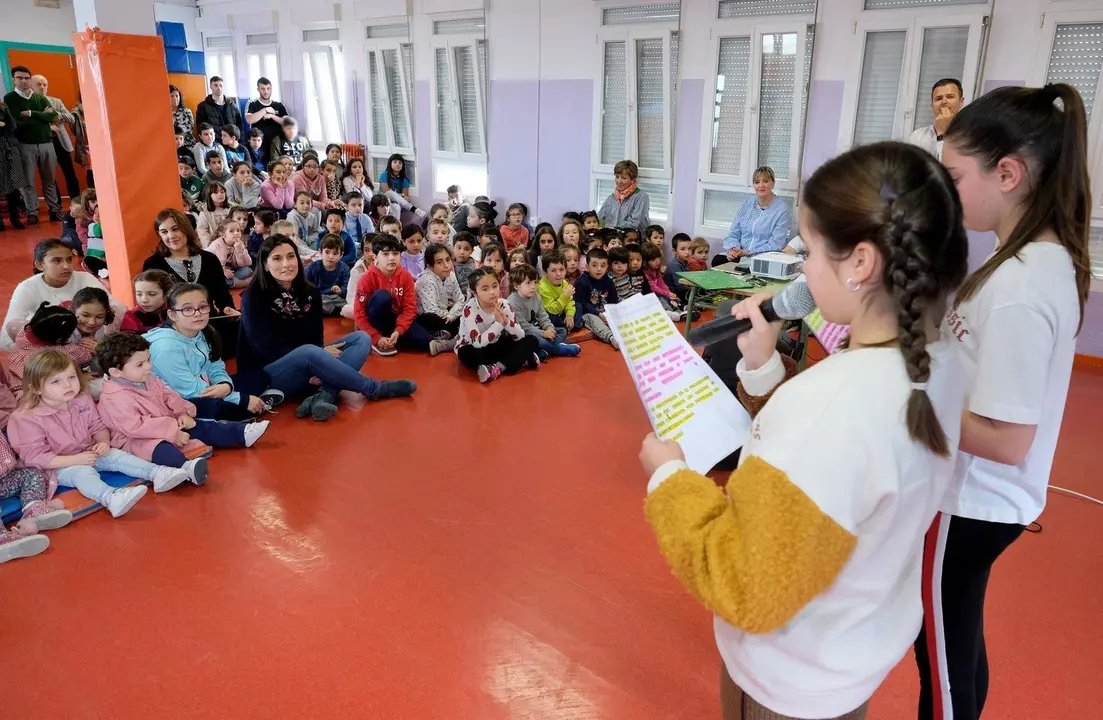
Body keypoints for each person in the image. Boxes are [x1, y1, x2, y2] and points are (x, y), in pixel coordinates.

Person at [639, 140, 970, 720]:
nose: (802, 270)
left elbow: (746, 585)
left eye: (810, 252)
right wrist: (765, 366)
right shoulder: (939, 364)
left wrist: (669, 476)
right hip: (847, 663)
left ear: (861, 262)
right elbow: (827, 471)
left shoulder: (828, 405)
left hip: (783, 682)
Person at [915, 84, 1091, 720]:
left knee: (940, 652)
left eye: (954, 174)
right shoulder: (1021, 256)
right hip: (980, 499)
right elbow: (973, 355)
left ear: (1008, 174)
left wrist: (906, 403)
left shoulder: (1022, 285)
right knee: (955, 635)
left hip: (973, 501)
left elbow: (1007, 437)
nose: (945, 188)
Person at [238, 235, 415, 421]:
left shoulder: (309, 292)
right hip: (269, 372)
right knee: (308, 352)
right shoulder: (253, 296)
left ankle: (324, 394)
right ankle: (375, 388)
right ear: (265, 265)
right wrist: (318, 355)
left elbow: (316, 337)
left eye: (291, 257)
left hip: (309, 361)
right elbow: (264, 349)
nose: (286, 264)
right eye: (277, 258)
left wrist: (319, 355)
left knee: (361, 338)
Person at [9, 350, 198, 517]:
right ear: (36, 388)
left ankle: (158, 473)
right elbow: (36, 457)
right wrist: (77, 460)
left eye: (72, 377)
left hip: (87, 452)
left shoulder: (81, 400)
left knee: (116, 455)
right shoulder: (25, 418)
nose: (67, 385)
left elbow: (97, 426)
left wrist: (103, 442)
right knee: (83, 472)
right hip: (55, 466)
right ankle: (110, 497)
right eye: (56, 381)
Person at [95, 333, 267, 470]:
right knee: (159, 449)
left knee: (199, 426)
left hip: (168, 423)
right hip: (135, 439)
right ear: (116, 372)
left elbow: (169, 395)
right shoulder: (113, 397)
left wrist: (182, 413)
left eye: (148, 360)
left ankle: (241, 433)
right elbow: (135, 427)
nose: (149, 366)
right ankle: (185, 467)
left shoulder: (147, 378)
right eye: (140, 364)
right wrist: (172, 431)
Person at [146, 283, 281, 422]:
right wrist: (242, 399)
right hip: (178, 399)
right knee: (225, 408)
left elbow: (215, 366)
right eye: (187, 309)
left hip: (207, 387)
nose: (197, 313)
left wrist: (225, 386)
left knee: (260, 376)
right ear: (172, 314)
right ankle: (251, 406)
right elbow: (190, 390)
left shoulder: (202, 331)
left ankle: (250, 405)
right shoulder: (166, 348)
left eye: (203, 307)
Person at [143, 209, 240, 360]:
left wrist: (228, 308)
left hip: (208, 323)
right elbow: (151, 303)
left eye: (175, 229)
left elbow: (222, 294)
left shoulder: (209, 259)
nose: (171, 236)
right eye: (164, 232)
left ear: (186, 229)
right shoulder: (153, 264)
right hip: (174, 330)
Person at [2, 239, 126, 350]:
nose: (66, 266)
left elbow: (114, 309)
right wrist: (47, 352)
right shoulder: (27, 288)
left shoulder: (85, 278)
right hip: (50, 349)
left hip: (90, 344)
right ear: (40, 265)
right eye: (57, 261)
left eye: (69, 259)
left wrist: (104, 347)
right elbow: (6, 337)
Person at [454, 266, 541, 384]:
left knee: (531, 340)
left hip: (496, 345)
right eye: (485, 289)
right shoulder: (470, 309)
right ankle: (518, 360)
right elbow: (477, 343)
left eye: (495, 286)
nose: (492, 292)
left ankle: (498, 367)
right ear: (475, 292)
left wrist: (505, 321)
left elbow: (520, 335)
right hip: (476, 348)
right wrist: (499, 324)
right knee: (469, 354)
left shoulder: (504, 304)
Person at [353, 234, 432, 356]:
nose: (391, 258)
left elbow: (409, 309)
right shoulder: (366, 278)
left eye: (395, 254)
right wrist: (376, 337)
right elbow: (359, 313)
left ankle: (392, 338)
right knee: (382, 296)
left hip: (396, 320)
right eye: (385, 254)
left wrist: (399, 331)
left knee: (425, 342)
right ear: (375, 257)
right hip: (376, 321)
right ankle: (377, 339)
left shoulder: (406, 277)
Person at [4, 65, 61, 223]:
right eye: (20, 78)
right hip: (25, 145)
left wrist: (30, 113)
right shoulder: (10, 98)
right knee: (28, 181)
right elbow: (17, 120)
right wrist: (43, 116)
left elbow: (54, 117)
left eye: (27, 78)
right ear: (14, 80)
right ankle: (33, 212)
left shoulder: (39, 97)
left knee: (50, 179)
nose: (24, 81)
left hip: (46, 143)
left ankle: (54, 210)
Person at [7, 303, 93, 395]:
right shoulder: (62, 350)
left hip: (16, 384)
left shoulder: (23, 333)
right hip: (38, 392)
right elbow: (85, 357)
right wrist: (87, 341)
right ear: (59, 339)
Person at [715, 166, 791, 265]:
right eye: (757, 182)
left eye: (765, 181)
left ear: (773, 183)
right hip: (740, 255)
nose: (761, 185)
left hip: (762, 258)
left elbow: (776, 244)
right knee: (717, 260)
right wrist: (733, 250)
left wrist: (748, 252)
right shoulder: (747, 204)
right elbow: (734, 234)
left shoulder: (781, 209)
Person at [509, 263, 581, 360]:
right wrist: (543, 333)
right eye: (528, 283)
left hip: (537, 328)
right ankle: (559, 349)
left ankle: (543, 350)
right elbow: (523, 326)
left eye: (535, 282)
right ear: (516, 285)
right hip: (523, 334)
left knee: (561, 330)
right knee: (536, 339)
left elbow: (543, 315)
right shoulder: (513, 302)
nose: (533, 286)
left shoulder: (535, 295)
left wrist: (549, 328)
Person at [30, 75, 79, 199]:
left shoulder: (56, 102)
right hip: (43, 142)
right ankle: (55, 207)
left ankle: (77, 202)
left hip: (60, 141)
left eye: (44, 84)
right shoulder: (28, 105)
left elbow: (71, 118)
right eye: (39, 84)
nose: (42, 87)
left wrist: (55, 113)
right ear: (31, 85)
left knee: (70, 174)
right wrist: (46, 124)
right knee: (49, 177)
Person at [413, 242, 464, 356]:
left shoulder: (450, 275)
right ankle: (448, 336)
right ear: (431, 266)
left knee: (468, 312)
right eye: (440, 262)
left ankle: (447, 338)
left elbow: (460, 300)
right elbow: (431, 309)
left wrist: (451, 316)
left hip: (446, 314)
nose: (446, 265)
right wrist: (449, 315)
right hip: (425, 317)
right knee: (431, 318)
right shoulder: (426, 280)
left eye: (448, 260)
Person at [908, 78, 965, 161]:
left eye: (950, 97)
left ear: (961, 102)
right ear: (932, 105)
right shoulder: (918, 136)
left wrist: (942, 134)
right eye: (938, 98)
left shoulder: (970, 136)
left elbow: (949, 169)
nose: (944, 102)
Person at [574, 248, 619, 349]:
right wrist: (599, 314)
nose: (599, 269)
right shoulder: (583, 282)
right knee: (593, 319)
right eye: (594, 265)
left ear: (607, 267)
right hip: (590, 314)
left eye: (602, 266)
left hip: (605, 313)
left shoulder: (609, 282)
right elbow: (582, 305)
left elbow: (614, 301)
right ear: (587, 267)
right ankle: (611, 338)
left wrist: (610, 314)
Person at [597, 160, 649, 234]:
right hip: (611, 239)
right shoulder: (611, 197)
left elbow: (634, 223)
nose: (619, 181)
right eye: (617, 177)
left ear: (632, 179)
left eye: (624, 178)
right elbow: (600, 218)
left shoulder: (641, 197)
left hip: (631, 241)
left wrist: (614, 230)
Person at [244, 77, 287, 165]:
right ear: (258, 89)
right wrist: (265, 110)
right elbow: (249, 120)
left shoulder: (278, 105)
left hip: (276, 144)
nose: (266, 91)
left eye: (268, 88)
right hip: (260, 145)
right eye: (263, 88)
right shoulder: (252, 104)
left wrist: (272, 115)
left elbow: (286, 122)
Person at [304, 234, 351, 316]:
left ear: (341, 255)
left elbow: (347, 286)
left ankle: (336, 311)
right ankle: (335, 312)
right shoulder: (312, 267)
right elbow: (305, 284)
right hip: (320, 296)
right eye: (327, 252)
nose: (331, 256)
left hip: (337, 297)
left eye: (335, 253)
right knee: (320, 301)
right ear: (321, 252)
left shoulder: (344, 268)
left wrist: (340, 290)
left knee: (348, 304)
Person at [0, 96, 27, 231]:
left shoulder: (3, 107)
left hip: (9, 147)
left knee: (14, 183)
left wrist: (3, 126)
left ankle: (14, 216)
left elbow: (12, 125)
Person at [120, 269, 175, 334]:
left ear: (167, 293)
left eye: (152, 294)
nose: (144, 300)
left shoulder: (176, 311)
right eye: (139, 294)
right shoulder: (132, 317)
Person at [206, 218, 254, 290]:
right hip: (216, 272)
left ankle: (231, 283)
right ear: (223, 235)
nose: (236, 233)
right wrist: (223, 270)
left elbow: (247, 263)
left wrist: (239, 250)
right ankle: (243, 283)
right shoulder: (216, 245)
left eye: (238, 230)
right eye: (231, 231)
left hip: (231, 272)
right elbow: (209, 264)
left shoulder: (239, 244)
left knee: (247, 270)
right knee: (214, 280)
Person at [537, 250, 578, 333]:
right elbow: (551, 310)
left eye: (561, 269)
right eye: (553, 270)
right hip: (550, 314)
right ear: (546, 271)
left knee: (578, 306)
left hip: (561, 311)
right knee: (551, 318)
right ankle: (569, 326)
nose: (558, 274)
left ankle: (569, 324)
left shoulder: (564, 282)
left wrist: (569, 315)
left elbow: (570, 302)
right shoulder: (542, 287)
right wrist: (565, 296)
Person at [641, 243, 683, 320]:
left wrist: (669, 292)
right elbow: (653, 288)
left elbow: (661, 283)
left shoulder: (655, 270)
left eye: (658, 258)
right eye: (653, 260)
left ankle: (681, 311)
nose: (657, 261)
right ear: (645, 261)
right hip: (651, 297)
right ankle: (670, 312)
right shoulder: (645, 272)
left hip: (660, 294)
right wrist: (667, 294)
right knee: (663, 300)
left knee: (674, 298)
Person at [378, 153, 423, 219]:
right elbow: (386, 192)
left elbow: (405, 197)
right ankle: (413, 208)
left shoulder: (404, 179)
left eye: (400, 163)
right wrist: (401, 195)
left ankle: (396, 227)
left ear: (402, 166)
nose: (397, 164)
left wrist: (404, 197)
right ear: (390, 163)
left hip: (395, 202)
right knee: (390, 193)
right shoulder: (384, 175)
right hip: (383, 200)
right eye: (395, 162)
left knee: (397, 207)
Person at [341, 239, 375, 320]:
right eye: (366, 250)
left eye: (374, 250)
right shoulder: (356, 270)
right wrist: (361, 306)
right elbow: (350, 296)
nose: (371, 254)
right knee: (346, 309)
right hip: (363, 303)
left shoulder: (385, 265)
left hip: (380, 303)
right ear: (362, 252)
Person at [196, 181, 230, 246]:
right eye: (216, 192)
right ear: (209, 195)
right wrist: (210, 245)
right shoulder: (204, 211)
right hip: (213, 243)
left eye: (222, 192)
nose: (220, 194)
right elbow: (202, 231)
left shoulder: (231, 208)